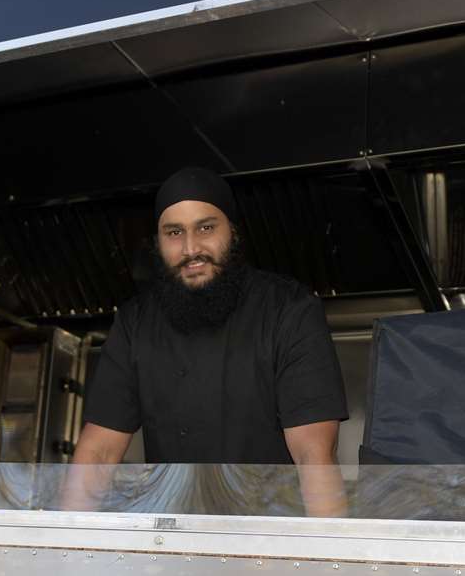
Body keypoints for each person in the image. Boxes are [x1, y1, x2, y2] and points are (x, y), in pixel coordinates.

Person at [61, 166, 349, 516]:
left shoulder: (288, 309)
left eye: (206, 228)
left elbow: (313, 454)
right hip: (175, 538)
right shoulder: (135, 321)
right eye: (174, 232)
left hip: (270, 538)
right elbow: (99, 452)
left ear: (234, 232)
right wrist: (66, 552)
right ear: (158, 242)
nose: (191, 248)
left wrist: (327, 562)